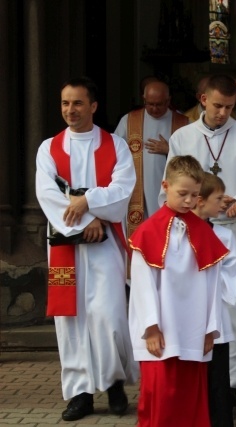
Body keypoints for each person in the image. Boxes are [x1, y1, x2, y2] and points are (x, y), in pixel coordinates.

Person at [35, 76, 137, 421]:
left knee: (109, 316)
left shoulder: (116, 145)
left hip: (105, 245)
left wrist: (89, 203)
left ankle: (114, 384)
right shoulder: (49, 148)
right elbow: (47, 194)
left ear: (93, 106)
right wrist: (83, 221)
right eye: (65, 103)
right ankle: (80, 393)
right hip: (66, 247)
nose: (70, 110)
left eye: (77, 103)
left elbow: (123, 188)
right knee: (71, 319)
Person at [161, 73, 236, 391]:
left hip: (235, 232)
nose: (224, 113)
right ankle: (205, 379)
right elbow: (172, 185)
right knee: (201, 309)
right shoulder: (182, 138)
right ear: (203, 99)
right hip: (195, 235)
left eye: (230, 107)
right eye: (219, 105)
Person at [129, 155, 228, 427]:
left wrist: (210, 328)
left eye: (194, 195)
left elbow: (213, 283)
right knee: (160, 396)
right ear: (165, 186)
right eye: (182, 193)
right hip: (160, 331)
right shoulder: (148, 231)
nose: (188, 201)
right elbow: (141, 283)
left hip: (193, 329)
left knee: (189, 399)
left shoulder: (204, 233)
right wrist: (151, 327)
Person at [192, 172, 236, 427]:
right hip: (188, 320)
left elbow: (232, 275)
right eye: (219, 198)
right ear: (200, 200)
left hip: (215, 318)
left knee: (218, 380)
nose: (224, 203)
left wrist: (210, 289)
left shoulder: (224, 236)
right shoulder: (180, 232)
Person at [115, 81, 189, 239]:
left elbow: (194, 160)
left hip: (170, 192)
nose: (154, 109)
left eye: (159, 104)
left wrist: (170, 150)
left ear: (168, 101)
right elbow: (115, 155)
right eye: (150, 104)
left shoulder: (183, 123)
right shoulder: (129, 121)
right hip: (137, 195)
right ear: (143, 99)